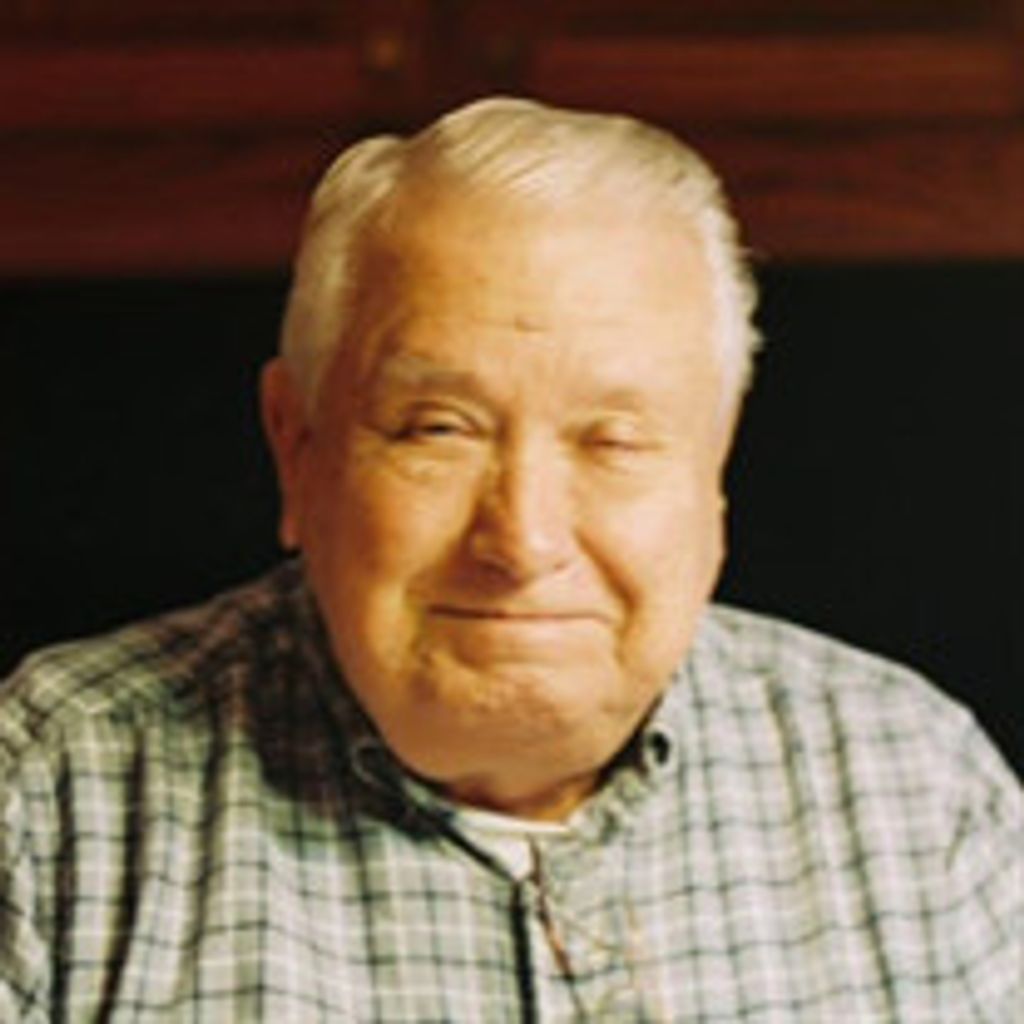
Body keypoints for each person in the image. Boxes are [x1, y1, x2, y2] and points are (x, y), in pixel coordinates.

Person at [1, 98, 1019, 1022]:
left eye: (614, 440)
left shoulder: (920, 790)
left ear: (715, 467)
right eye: (438, 429)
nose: (523, 541)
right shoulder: (47, 797)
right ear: (296, 447)